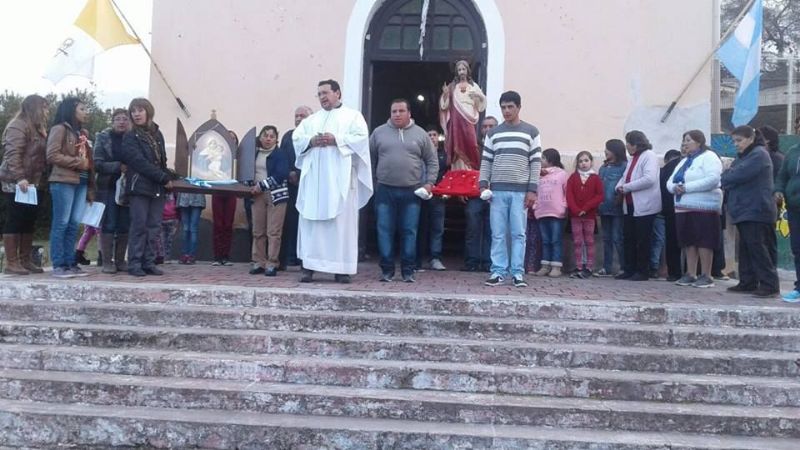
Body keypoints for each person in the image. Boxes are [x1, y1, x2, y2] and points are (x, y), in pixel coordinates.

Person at [293, 80, 372, 283]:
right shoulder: (311, 120)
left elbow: (362, 139)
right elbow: (297, 137)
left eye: (326, 93)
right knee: (311, 223)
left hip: (340, 181)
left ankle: (341, 269)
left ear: (337, 93)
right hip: (314, 183)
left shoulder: (353, 116)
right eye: (319, 94)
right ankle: (308, 267)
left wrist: (336, 139)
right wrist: (311, 141)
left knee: (340, 225)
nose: (322, 97)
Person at [370, 99, 438, 283]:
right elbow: (370, 159)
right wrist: (373, 184)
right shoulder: (378, 133)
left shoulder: (421, 134)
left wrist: (429, 183)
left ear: (409, 113)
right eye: (394, 111)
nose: (397, 114)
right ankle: (387, 270)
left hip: (412, 191)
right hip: (385, 190)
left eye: (401, 111)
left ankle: (408, 270)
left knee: (409, 231)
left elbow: (432, 160)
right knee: (384, 230)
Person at [479, 91, 540, 287]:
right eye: (503, 107)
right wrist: (483, 185)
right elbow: (486, 161)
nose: (506, 111)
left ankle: (517, 272)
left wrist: (532, 190)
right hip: (497, 191)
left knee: (518, 233)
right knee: (497, 233)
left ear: (519, 107)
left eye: (510, 107)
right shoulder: (493, 133)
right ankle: (498, 271)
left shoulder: (531, 132)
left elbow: (536, 163)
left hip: (520, 192)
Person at [118, 97, 175, 277]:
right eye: (133, 111)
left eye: (140, 110)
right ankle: (135, 263)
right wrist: (162, 177)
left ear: (148, 111)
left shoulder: (157, 134)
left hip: (157, 187)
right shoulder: (130, 136)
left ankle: (148, 262)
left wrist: (173, 175)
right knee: (139, 226)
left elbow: (161, 162)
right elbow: (139, 162)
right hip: (139, 187)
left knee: (154, 226)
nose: (136, 114)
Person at [721, 126, 779, 298]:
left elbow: (733, 176)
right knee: (746, 248)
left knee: (758, 248)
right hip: (744, 209)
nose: (736, 145)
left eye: (739, 140)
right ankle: (747, 281)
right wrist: (729, 175)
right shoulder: (746, 156)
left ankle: (769, 284)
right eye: (734, 141)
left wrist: (729, 175)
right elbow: (729, 177)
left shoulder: (759, 154)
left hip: (756, 209)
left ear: (751, 139)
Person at [666, 131, 723, 288]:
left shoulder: (709, 157)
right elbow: (670, 181)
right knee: (688, 240)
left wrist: (686, 188)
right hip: (683, 207)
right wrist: (674, 188)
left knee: (704, 240)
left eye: (688, 140)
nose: (685, 144)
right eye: (684, 140)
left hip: (704, 206)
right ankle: (690, 273)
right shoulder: (684, 161)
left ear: (699, 142)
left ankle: (706, 274)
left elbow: (713, 179)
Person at [46, 96, 95, 278]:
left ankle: (70, 262)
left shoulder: (82, 133)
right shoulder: (59, 129)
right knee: (61, 223)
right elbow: (51, 155)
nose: (85, 112)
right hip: (63, 181)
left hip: (81, 182)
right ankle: (58, 264)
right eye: (82, 109)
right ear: (71, 110)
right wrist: (77, 162)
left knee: (74, 224)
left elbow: (88, 160)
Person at [0, 94, 49, 275]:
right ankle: (11, 262)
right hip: (16, 181)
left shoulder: (39, 128)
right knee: (15, 219)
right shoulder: (17, 125)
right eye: (44, 107)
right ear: (35, 107)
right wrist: (20, 177)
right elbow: (13, 154)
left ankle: (25, 260)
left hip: (33, 183)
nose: (47, 111)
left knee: (28, 220)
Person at [615, 130, 661, 281]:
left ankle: (643, 270)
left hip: (644, 204)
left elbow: (649, 179)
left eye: (628, 142)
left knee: (643, 239)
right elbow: (625, 177)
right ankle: (629, 268)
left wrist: (626, 187)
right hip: (629, 204)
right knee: (629, 238)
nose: (626, 146)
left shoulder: (649, 156)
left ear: (635, 144)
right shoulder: (633, 158)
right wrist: (619, 186)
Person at [93, 108, 131, 273]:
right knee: (109, 223)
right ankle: (107, 261)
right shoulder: (102, 138)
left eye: (125, 119)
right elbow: (97, 163)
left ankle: (121, 260)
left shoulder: (132, 139)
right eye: (118, 119)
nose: (121, 122)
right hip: (108, 186)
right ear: (112, 121)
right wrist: (118, 167)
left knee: (124, 224)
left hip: (127, 188)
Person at [249, 125, 289, 277]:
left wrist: (261, 185)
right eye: (265, 135)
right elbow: (247, 171)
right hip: (257, 195)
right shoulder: (255, 154)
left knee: (273, 231)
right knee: (258, 230)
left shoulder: (280, 154)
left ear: (276, 139)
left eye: (272, 136)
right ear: (260, 138)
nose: (268, 139)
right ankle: (258, 261)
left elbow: (281, 174)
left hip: (276, 196)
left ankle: (272, 263)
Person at [460, 116, 496, 272]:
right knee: (472, 229)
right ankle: (472, 262)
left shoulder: (501, 146)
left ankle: (489, 263)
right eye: (485, 126)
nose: (487, 129)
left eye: (491, 126)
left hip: (495, 194)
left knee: (492, 230)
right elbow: (464, 169)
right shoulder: (472, 147)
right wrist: (462, 190)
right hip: (474, 194)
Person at [278, 106, 313, 269]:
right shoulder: (288, 136)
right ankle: (289, 256)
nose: (298, 118)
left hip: (309, 185)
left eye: (302, 116)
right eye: (296, 115)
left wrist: (301, 174)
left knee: (306, 222)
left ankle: (305, 257)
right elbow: (282, 157)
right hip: (290, 186)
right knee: (290, 221)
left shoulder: (315, 137)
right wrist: (290, 172)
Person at [439, 59, 486, 170]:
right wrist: (445, 95)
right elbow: (444, 106)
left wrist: (478, 97)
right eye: (459, 69)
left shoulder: (474, 86)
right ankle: (457, 169)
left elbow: (481, 104)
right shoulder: (452, 87)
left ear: (468, 70)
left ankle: (470, 168)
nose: (461, 72)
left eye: (463, 69)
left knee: (471, 142)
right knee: (456, 142)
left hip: (469, 117)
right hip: (456, 119)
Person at [416, 126, 449, 271]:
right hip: (421, 195)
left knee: (437, 228)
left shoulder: (446, 156)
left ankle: (435, 258)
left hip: (438, 196)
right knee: (420, 228)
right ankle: (417, 260)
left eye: (434, 134)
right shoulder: (418, 154)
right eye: (428, 134)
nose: (431, 137)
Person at [566, 151, 603, 279]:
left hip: (589, 215)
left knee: (589, 240)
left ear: (591, 162)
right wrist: (576, 210)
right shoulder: (573, 177)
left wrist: (586, 208)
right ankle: (579, 265)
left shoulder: (595, 178)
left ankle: (589, 267)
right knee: (577, 241)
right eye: (581, 161)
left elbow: (599, 195)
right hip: (575, 215)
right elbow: (569, 195)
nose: (583, 163)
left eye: (586, 160)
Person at [534, 148, 568, 277]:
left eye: (543, 158)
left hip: (556, 212)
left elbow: (566, 192)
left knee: (555, 240)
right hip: (542, 211)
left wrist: (563, 206)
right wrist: (535, 206)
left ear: (550, 159)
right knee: (545, 240)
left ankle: (556, 266)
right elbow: (535, 192)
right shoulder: (539, 174)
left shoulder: (562, 174)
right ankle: (545, 265)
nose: (541, 160)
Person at [596, 139, 627, 277]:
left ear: (615, 151)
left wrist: (619, 199)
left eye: (607, 149)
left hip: (617, 209)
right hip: (603, 208)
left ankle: (623, 266)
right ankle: (606, 267)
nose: (605, 151)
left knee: (617, 238)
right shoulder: (603, 168)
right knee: (606, 238)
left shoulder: (624, 167)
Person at [775, 137, 800, 302]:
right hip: (794, 208)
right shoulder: (792, 151)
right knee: (797, 248)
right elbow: (782, 176)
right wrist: (778, 190)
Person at [210, 130, 240, 266]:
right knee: (218, 224)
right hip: (217, 191)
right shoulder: (217, 155)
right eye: (228, 138)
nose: (231, 140)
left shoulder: (239, 157)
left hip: (231, 192)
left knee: (228, 224)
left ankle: (226, 256)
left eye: (233, 139)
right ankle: (217, 256)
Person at [659, 149, 683, 282]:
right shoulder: (672, 166)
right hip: (674, 207)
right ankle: (678, 271)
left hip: (673, 208)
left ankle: (674, 272)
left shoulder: (670, 166)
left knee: (674, 240)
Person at [176, 192, 205, 264]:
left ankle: (186, 255)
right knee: (191, 229)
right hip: (194, 199)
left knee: (188, 229)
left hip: (186, 198)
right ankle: (190, 256)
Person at [157, 192, 179, 264]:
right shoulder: (160, 192)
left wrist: (178, 218)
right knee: (161, 239)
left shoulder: (175, 193)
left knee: (169, 240)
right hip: (161, 218)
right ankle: (162, 256)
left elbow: (178, 205)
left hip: (173, 218)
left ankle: (167, 257)